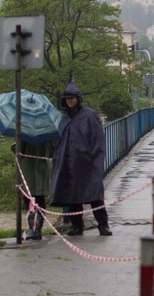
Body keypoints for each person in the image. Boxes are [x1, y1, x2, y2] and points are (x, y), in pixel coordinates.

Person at [50, 82, 112, 236]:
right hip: (68, 163)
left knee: (95, 195)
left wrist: (96, 162)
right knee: (73, 196)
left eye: (72, 98)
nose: (70, 101)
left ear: (78, 98)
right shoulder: (62, 117)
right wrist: (57, 158)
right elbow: (58, 141)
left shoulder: (89, 115)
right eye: (67, 98)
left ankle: (103, 224)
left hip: (87, 163)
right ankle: (77, 225)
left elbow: (97, 140)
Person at [13, 141, 55, 240]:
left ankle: (34, 229)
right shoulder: (47, 134)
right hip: (42, 169)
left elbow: (18, 149)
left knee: (29, 199)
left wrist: (14, 147)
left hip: (29, 170)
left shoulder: (24, 133)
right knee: (40, 199)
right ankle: (37, 229)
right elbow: (52, 153)